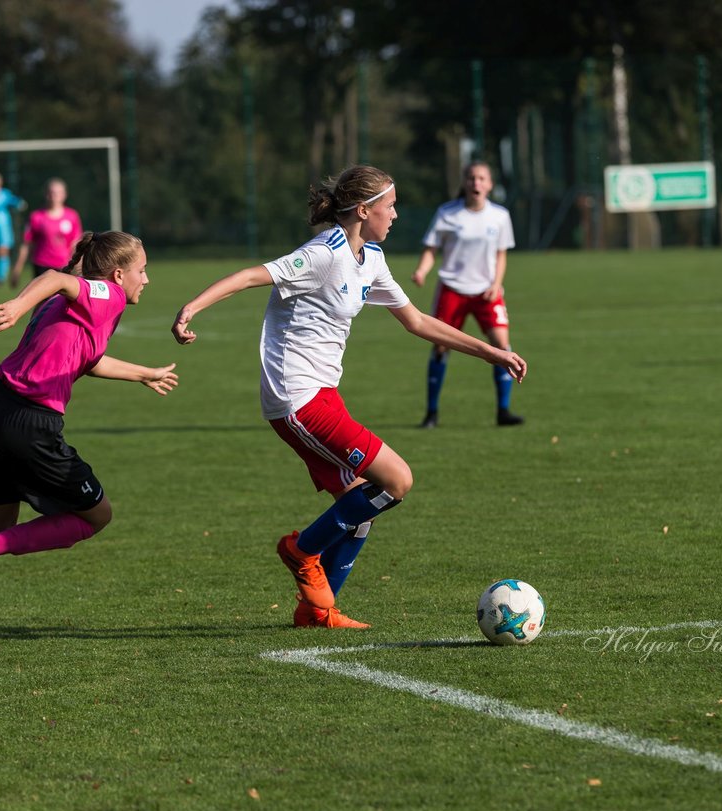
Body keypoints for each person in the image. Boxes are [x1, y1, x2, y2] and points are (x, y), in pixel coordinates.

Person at [171, 165, 527, 629]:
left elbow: (418, 321)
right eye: (390, 206)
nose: (396, 215)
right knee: (397, 482)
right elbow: (250, 276)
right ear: (364, 210)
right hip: (296, 397)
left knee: (361, 506)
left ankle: (317, 611)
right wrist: (190, 309)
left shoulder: (371, 259)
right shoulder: (323, 253)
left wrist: (490, 352)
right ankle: (302, 550)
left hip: (324, 394)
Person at [0, 231, 179, 640]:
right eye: (143, 270)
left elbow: (89, 357)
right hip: (30, 423)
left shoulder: (70, 306)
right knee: (96, 515)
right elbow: (56, 277)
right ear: (118, 275)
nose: (147, 279)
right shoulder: (107, 294)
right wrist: (15, 305)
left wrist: (144, 374)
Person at [411, 161, 522, 428]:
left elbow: (501, 255)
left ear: (490, 184)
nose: (476, 183)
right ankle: (432, 413)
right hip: (453, 289)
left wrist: (496, 283)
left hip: (487, 291)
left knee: (502, 347)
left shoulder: (499, 216)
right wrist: (422, 271)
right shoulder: (448, 213)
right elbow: (431, 248)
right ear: (464, 182)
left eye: (482, 178)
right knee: (440, 346)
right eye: (471, 178)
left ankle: (503, 411)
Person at [11, 178, 83, 287]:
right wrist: (17, 269)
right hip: (42, 265)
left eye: (58, 193)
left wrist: (80, 268)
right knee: (44, 302)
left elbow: (76, 244)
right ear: (46, 194)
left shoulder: (72, 216)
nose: (54, 196)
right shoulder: (36, 217)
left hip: (64, 267)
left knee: (62, 302)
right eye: (51, 192)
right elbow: (27, 245)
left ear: (64, 195)